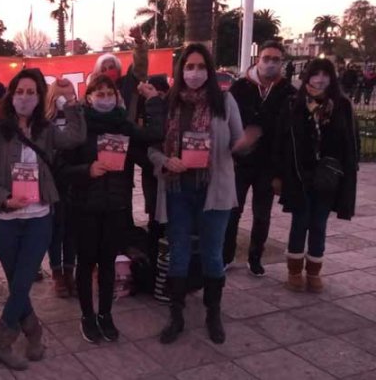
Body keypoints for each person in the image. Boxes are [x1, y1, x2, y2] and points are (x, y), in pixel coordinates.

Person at [146, 44, 260, 346]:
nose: (194, 73)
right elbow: (152, 147)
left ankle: (213, 313)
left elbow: (238, 142)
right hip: (177, 189)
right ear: (180, 70)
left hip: (215, 190)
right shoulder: (169, 103)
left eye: (200, 66)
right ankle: (177, 315)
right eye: (188, 66)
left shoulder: (224, 101)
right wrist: (164, 160)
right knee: (178, 254)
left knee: (212, 254)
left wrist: (245, 143)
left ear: (208, 70)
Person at [0, 69, 86, 370]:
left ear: (40, 97)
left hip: (39, 215)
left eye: (31, 92)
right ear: (11, 95)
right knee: (18, 281)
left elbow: (76, 137)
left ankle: (1, 340)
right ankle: (33, 331)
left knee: (23, 277)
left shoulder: (47, 129)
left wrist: (71, 100)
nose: (25, 97)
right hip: (4, 217)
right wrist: (3, 198)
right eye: (20, 91)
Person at [62, 74, 164, 343]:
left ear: (117, 97)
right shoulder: (80, 128)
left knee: (108, 262)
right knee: (86, 264)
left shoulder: (123, 125)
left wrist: (153, 101)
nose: (105, 98)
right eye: (100, 93)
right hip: (84, 207)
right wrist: (88, 169)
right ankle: (87, 316)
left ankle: (106, 314)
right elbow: (61, 170)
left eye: (110, 93)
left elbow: (153, 136)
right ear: (89, 97)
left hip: (116, 206)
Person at [273, 59, 358, 293]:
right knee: (300, 222)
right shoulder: (294, 104)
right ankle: (293, 271)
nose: (320, 79)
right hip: (300, 175)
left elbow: (350, 143)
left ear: (332, 78)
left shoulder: (341, 106)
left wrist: (346, 172)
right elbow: (281, 141)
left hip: (328, 177)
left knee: (319, 224)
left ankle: (313, 272)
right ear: (307, 78)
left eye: (325, 75)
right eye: (315, 75)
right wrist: (278, 174)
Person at [223, 41, 296, 276]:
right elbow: (226, 122)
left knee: (262, 215)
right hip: (240, 162)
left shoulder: (288, 92)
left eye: (276, 59)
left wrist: (280, 172)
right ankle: (227, 255)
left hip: (269, 165)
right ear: (258, 59)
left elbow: (290, 134)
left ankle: (255, 258)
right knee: (233, 211)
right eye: (267, 58)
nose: (271, 63)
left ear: (282, 63)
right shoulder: (240, 87)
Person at [44, 78, 78, 297]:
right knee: (55, 231)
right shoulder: (46, 122)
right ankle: (57, 274)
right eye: (60, 96)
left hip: (75, 181)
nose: (64, 100)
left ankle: (69, 272)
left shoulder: (79, 117)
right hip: (53, 183)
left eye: (69, 95)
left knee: (72, 232)